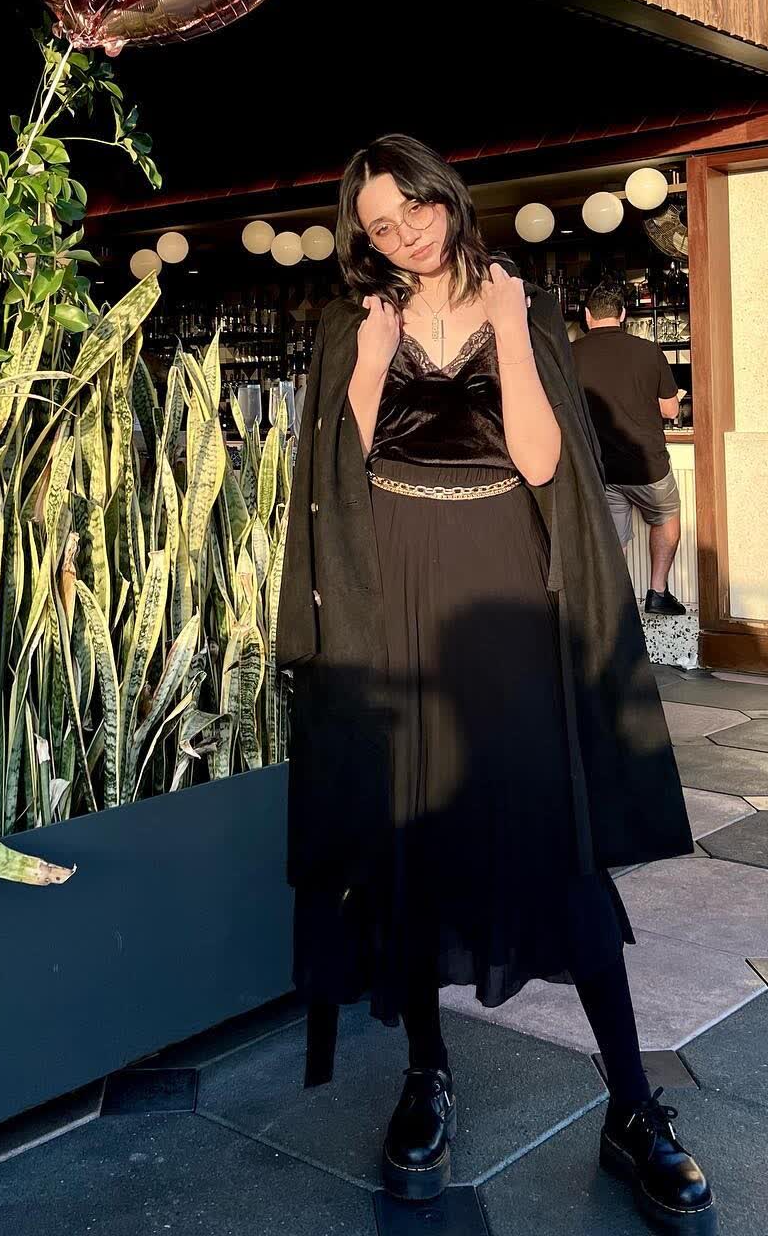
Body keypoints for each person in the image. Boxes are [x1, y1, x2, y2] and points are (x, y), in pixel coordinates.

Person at [276, 135, 713, 1232]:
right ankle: (427, 1073)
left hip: (504, 586)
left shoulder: (526, 305)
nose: (406, 236)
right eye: (380, 227)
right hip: (391, 590)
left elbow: (543, 462)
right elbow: (338, 466)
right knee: (412, 828)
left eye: (415, 210)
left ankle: (631, 1104)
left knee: (554, 831)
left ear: (446, 196)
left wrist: (512, 329)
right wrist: (372, 355)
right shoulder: (350, 323)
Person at [573, 282, 686, 617]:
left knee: (614, 538)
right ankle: (658, 593)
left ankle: (619, 605)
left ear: (588, 316)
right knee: (666, 518)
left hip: (601, 468)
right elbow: (670, 410)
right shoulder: (648, 351)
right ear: (622, 314)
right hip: (647, 464)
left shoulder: (570, 355)